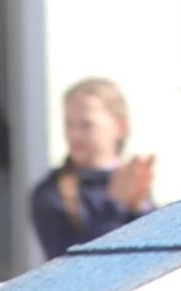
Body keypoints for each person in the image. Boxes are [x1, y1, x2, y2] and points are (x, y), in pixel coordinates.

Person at [30, 78, 155, 260]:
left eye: (86, 125)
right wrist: (114, 205)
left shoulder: (130, 179)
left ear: (120, 127)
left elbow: (154, 252)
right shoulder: (51, 192)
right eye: (69, 124)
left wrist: (139, 207)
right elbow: (69, 264)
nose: (74, 134)